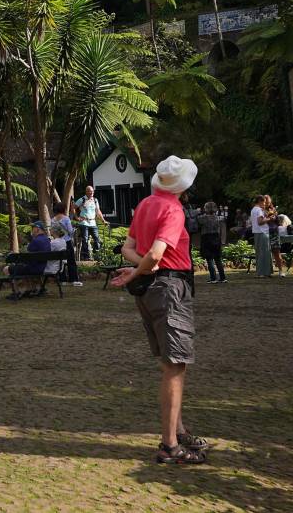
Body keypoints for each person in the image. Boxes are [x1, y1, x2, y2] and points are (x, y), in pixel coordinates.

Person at [110, 155, 210, 465]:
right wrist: (142, 269)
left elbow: (128, 247)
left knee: (171, 363)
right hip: (169, 289)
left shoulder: (145, 205)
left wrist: (137, 270)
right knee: (175, 365)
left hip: (151, 291)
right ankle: (169, 445)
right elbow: (155, 255)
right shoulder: (173, 210)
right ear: (183, 186)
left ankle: (177, 430)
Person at [5, 220, 50, 300]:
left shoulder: (35, 241)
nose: (31, 230)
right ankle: (29, 289)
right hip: (42, 267)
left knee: (7, 269)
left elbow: (26, 255)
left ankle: (16, 292)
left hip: (33, 268)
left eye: (33, 228)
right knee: (22, 267)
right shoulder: (47, 240)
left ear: (37, 229)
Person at [73, 186, 107, 262]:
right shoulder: (82, 199)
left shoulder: (95, 200)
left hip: (93, 223)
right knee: (85, 239)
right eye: (90, 191)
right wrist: (77, 217)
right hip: (84, 222)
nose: (91, 192)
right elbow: (73, 207)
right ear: (86, 192)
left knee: (97, 239)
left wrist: (103, 221)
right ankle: (85, 257)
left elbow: (98, 211)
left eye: (92, 191)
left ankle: (97, 255)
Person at [51, 209, 81, 286]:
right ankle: (73, 279)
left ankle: (63, 280)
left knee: (61, 261)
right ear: (63, 209)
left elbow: (52, 231)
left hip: (58, 242)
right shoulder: (66, 218)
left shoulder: (53, 220)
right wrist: (72, 232)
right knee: (71, 260)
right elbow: (70, 231)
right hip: (67, 241)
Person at [198, 202, 226, 284]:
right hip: (216, 238)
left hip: (206, 238)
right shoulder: (219, 218)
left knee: (209, 259)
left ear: (206, 209)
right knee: (218, 259)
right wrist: (223, 241)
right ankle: (223, 278)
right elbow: (223, 230)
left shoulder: (202, 218)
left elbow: (197, 223)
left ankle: (213, 278)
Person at [250, 195, 274, 277]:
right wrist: (270, 218)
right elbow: (260, 222)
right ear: (260, 201)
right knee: (265, 253)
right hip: (262, 233)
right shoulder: (259, 210)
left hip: (256, 232)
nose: (265, 204)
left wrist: (266, 216)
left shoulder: (253, 209)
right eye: (264, 202)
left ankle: (260, 272)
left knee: (259, 253)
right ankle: (265, 272)